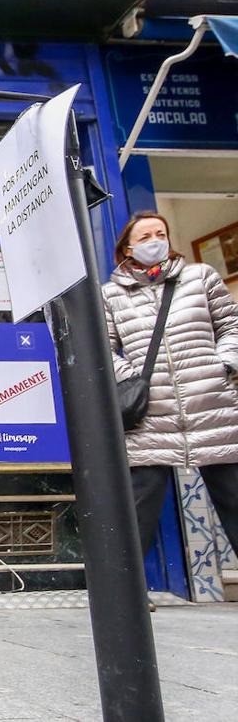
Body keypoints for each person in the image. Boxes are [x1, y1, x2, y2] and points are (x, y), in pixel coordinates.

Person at [101, 211, 238, 564]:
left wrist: (223, 365)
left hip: (211, 404)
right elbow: (102, 347)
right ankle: (127, 595)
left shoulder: (200, 277)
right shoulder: (112, 295)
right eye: (144, 237)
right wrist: (130, 380)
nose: (154, 241)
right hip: (150, 412)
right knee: (139, 506)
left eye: (159, 233)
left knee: (234, 497)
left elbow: (231, 326)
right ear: (127, 248)